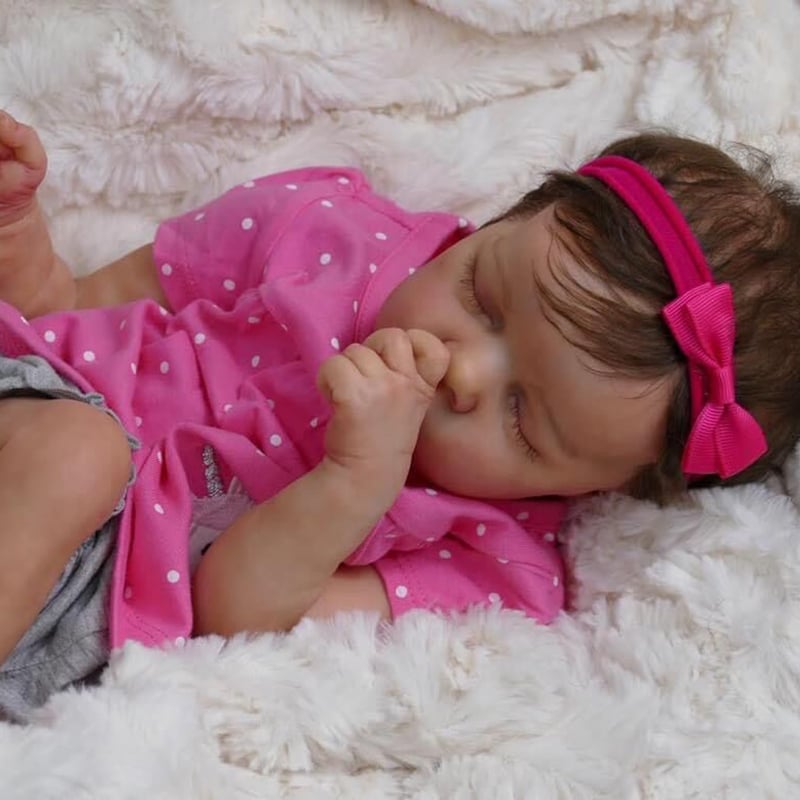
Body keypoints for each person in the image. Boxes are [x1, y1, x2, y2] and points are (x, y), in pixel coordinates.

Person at [0, 109, 798, 721]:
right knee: (76, 450)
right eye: (482, 297)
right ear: (503, 220)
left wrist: (355, 483)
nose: (463, 368)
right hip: (27, 408)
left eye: (523, 420)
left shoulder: (491, 560)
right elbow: (68, 314)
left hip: (71, 607)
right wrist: (19, 237)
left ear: (608, 486)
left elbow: (230, 620)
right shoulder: (323, 233)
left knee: (79, 458)